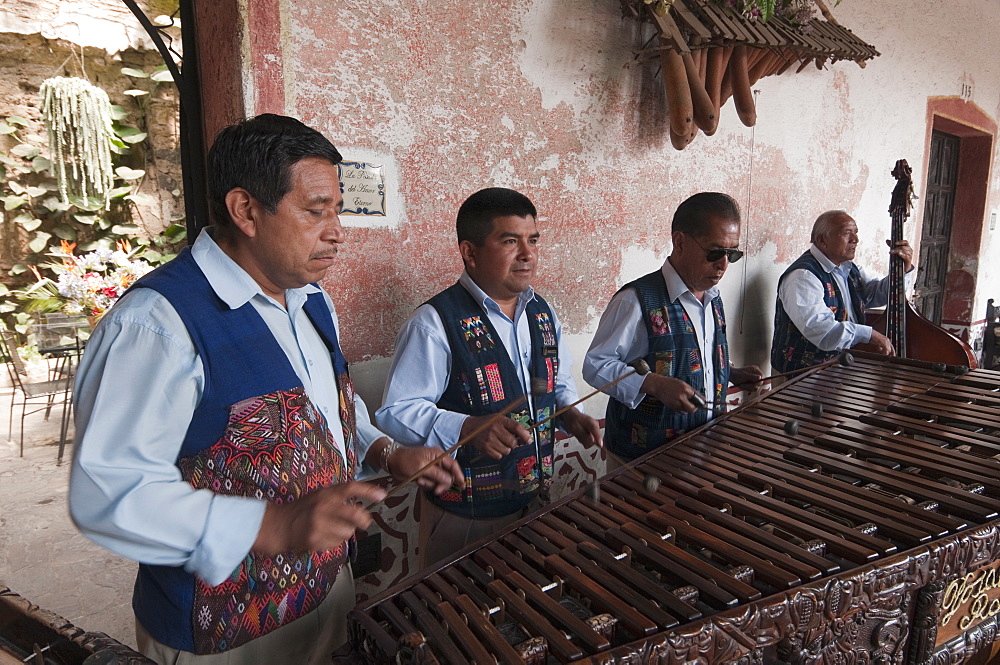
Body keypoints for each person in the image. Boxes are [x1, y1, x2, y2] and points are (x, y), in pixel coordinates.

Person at [68, 114, 462, 665]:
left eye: (338, 211)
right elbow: (108, 496)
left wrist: (385, 452)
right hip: (225, 632)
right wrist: (273, 523)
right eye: (315, 211)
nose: (336, 231)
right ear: (246, 210)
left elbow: (330, 406)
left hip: (325, 592)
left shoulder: (310, 299)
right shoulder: (157, 325)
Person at [375, 187, 603, 568]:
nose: (527, 254)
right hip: (464, 514)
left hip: (534, 499)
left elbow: (557, 382)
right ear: (470, 251)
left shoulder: (542, 313)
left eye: (533, 240)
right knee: (455, 614)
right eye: (510, 241)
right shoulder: (434, 323)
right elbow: (395, 412)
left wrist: (570, 412)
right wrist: (466, 427)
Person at [583, 192, 763, 462]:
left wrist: (729, 373)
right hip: (644, 459)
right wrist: (652, 384)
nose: (723, 265)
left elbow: (694, 352)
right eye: (714, 252)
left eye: (731, 254)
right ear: (680, 242)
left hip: (704, 444)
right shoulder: (635, 300)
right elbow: (596, 365)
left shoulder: (713, 298)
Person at [771, 209, 914, 374]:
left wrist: (903, 271)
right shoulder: (803, 277)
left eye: (856, 233)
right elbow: (823, 331)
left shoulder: (848, 269)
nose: (855, 240)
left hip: (836, 370)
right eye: (847, 233)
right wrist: (870, 334)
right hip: (801, 375)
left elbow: (876, 294)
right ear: (822, 240)